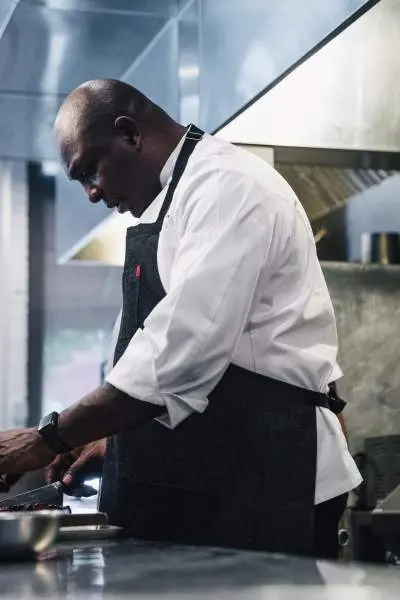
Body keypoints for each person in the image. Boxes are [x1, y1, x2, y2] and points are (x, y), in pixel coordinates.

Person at [0, 79, 362, 558]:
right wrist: (116, 436)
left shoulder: (226, 187)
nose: (90, 192)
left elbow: (177, 354)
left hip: (267, 478)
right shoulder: (178, 198)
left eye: (90, 170)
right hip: (220, 475)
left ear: (130, 134)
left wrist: (47, 437)